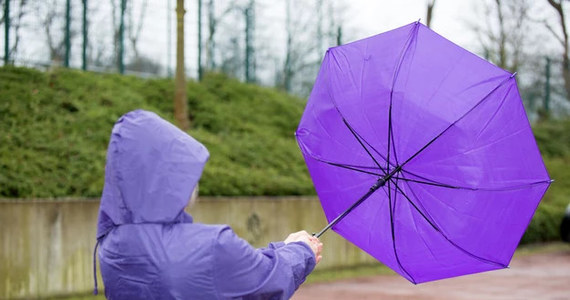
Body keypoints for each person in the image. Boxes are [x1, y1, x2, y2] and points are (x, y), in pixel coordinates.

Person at [94, 109, 322, 299]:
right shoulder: (213, 245)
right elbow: (265, 281)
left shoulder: (112, 246)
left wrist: (283, 248)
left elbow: (228, 270)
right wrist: (302, 251)